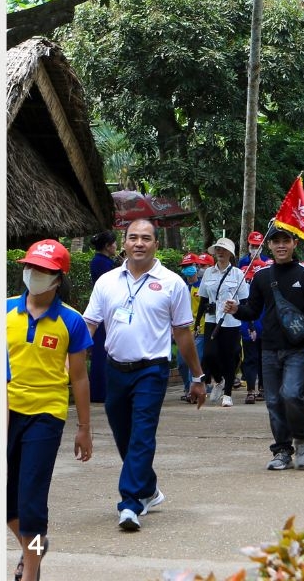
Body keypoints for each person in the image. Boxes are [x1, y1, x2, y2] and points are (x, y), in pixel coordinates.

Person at [80, 216, 202, 530]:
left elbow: (183, 334)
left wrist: (198, 377)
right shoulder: (106, 281)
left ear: (155, 244)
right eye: (133, 237)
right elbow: (89, 325)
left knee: (142, 435)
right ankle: (148, 488)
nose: (139, 243)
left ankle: (129, 504)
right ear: (124, 243)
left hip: (152, 369)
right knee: (124, 434)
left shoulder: (172, 283)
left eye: (146, 238)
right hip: (114, 370)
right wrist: (69, 359)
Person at [7, 239, 93, 581]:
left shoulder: (71, 322)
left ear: (59, 279)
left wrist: (84, 427)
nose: (35, 275)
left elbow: (80, 377)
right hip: (7, 413)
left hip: (46, 415)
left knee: (31, 501)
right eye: (31, 268)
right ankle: (36, 550)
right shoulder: (3, 311)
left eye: (44, 271)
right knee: (6, 504)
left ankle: (31, 571)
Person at [233, 223, 304, 472]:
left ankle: (303, 437)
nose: (281, 245)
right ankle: (282, 449)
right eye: (276, 242)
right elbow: (252, 310)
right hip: (268, 348)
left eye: (286, 241)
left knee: (291, 394)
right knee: (273, 401)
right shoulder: (263, 276)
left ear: (295, 244)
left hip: (297, 348)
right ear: (270, 246)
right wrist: (236, 309)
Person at [192, 236, 247, 405]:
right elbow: (202, 299)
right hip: (211, 319)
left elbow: (244, 301)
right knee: (209, 354)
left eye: (223, 250)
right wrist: (196, 324)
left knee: (229, 357)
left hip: (231, 321)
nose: (220, 252)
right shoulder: (208, 272)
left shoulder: (238, 274)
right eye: (218, 249)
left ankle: (228, 394)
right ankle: (218, 380)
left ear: (230, 253)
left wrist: (236, 309)